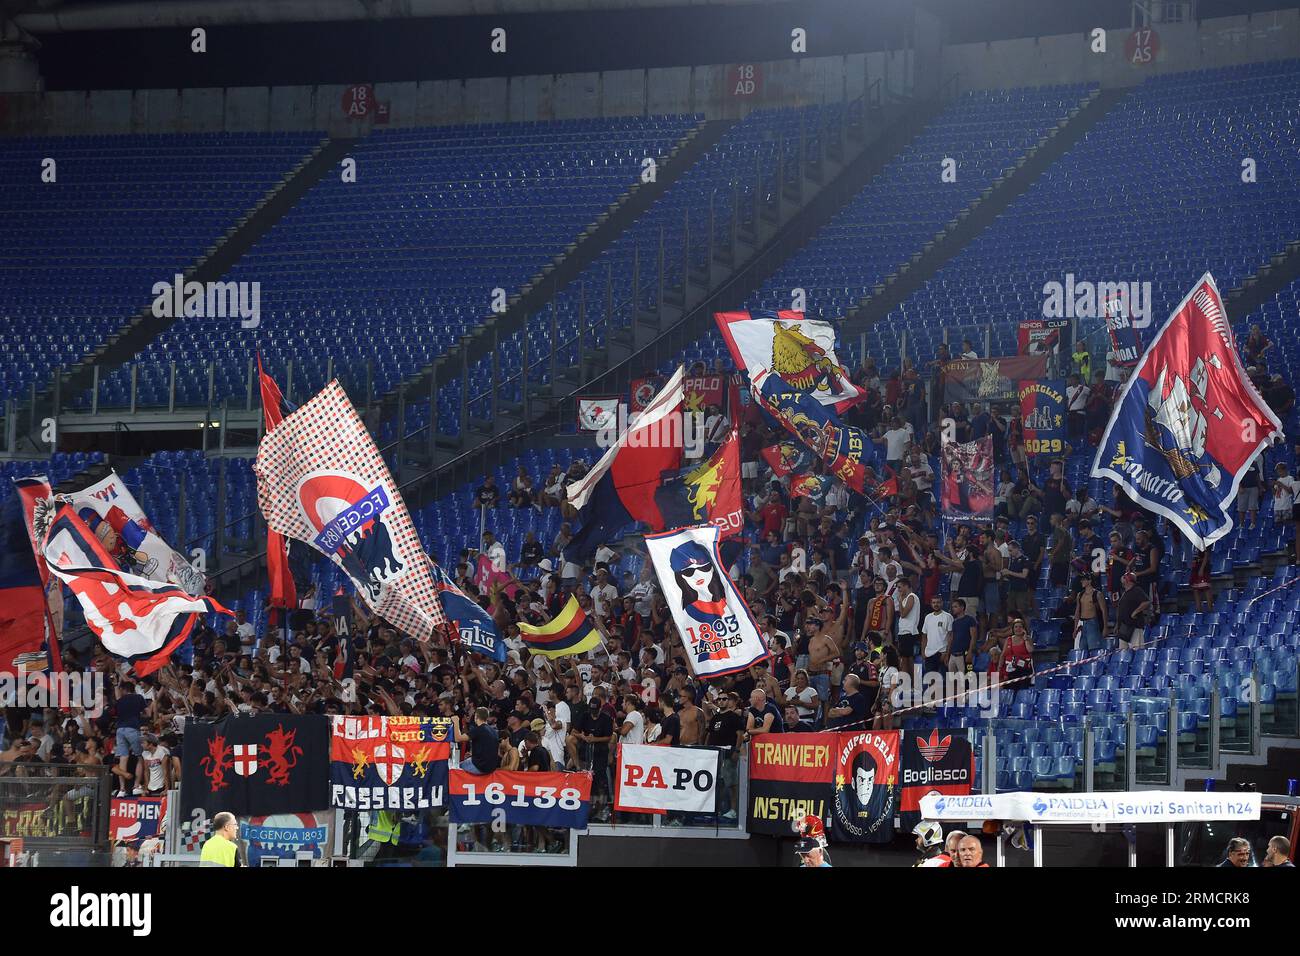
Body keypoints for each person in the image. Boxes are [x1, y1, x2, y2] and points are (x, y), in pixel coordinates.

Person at [454, 707, 501, 774]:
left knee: (455, 768)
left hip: (479, 767)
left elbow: (457, 738)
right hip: (491, 768)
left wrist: (456, 722)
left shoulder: (478, 730)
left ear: (476, 716)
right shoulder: (494, 731)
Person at [1113, 572, 1150, 647]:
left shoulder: (1136, 590)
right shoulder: (1125, 593)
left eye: (1124, 577)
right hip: (1124, 626)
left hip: (1134, 626)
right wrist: (1117, 625)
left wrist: (1135, 612)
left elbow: (1146, 602)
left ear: (1128, 580)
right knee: (1123, 651)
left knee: (1136, 649)